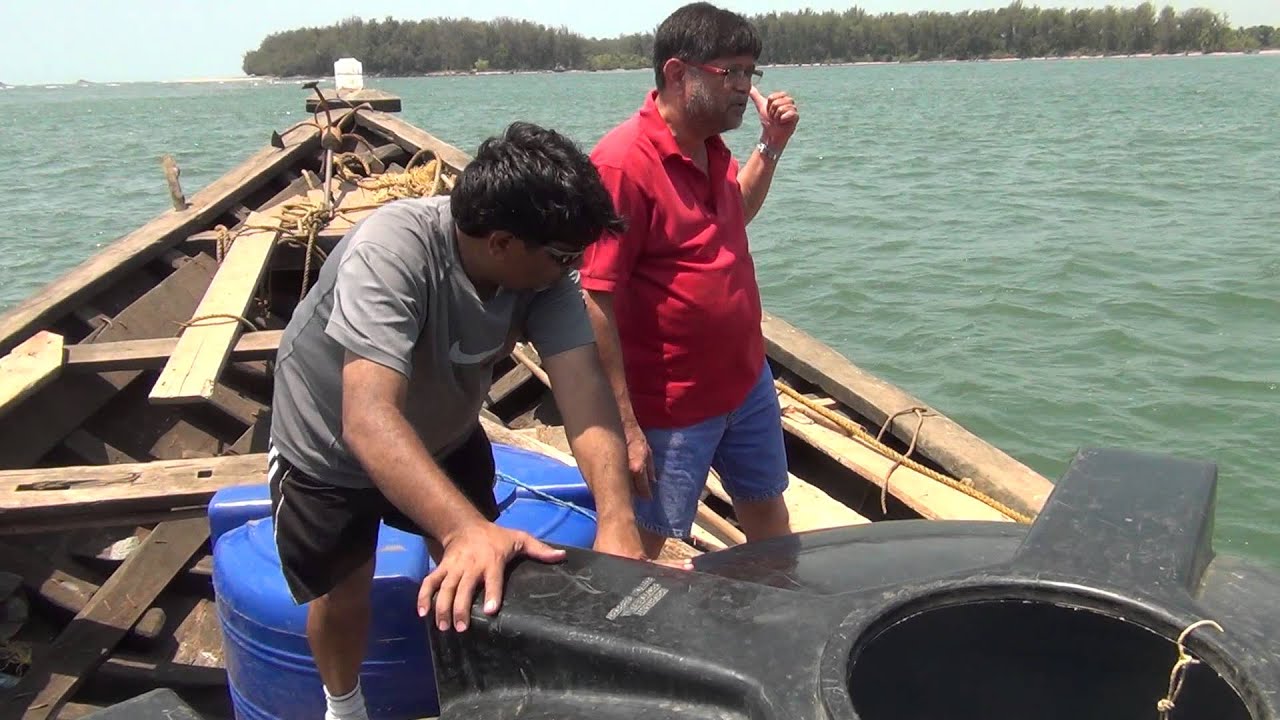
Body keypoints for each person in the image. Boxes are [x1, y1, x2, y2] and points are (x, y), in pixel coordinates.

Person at [267, 121, 649, 720]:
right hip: (329, 441)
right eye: (562, 256)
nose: (569, 269)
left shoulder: (542, 275)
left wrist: (617, 521)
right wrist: (464, 530)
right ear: (500, 242)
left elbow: (583, 391)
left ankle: (472, 694)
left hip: (444, 426)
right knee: (344, 594)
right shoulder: (391, 253)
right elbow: (366, 419)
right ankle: (343, 705)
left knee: (480, 574)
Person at [580, 2, 801, 559]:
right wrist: (625, 428)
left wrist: (770, 146)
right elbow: (596, 297)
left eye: (752, 72)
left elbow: (734, 213)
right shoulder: (622, 163)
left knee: (768, 512)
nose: (746, 89)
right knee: (650, 544)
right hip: (671, 406)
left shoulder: (711, 146)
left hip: (745, 382)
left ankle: (780, 616)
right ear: (679, 73)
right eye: (733, 73)